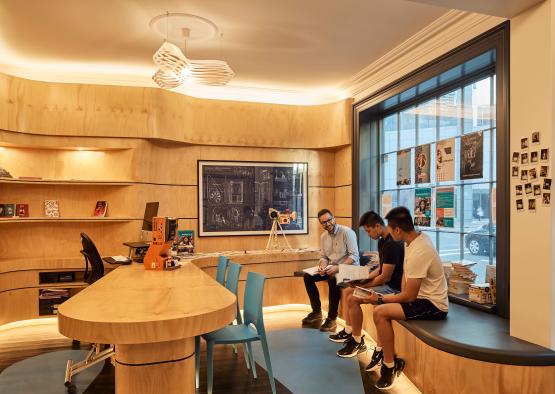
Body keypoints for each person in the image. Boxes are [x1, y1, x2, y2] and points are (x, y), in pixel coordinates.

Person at [360, 207, 448, 389]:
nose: (389, 232)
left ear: (398, 230)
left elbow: (410, 296)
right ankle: (382, 352)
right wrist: (392, 297)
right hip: (421, 298)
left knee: (380, 312)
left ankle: (389, 366)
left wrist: (380, 299)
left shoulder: (420, 250)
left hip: (433, 305)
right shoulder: (412, 241)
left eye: (390, 229)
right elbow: (406, 279)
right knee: (382, 309)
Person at [330, 211, 404, 363]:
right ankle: (350, 331)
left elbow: (385, 277)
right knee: (349, 291)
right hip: (386, 283)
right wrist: (362, 279)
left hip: (394, 289)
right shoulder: (382, 240)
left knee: (353, 297)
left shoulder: (392, 244)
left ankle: (357, 342)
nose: (368, 234)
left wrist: (364, 285)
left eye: (368, 231)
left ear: (377, 226)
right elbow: (379, 269)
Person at [302, 209, 360, 332]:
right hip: (332, 268)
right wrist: (322, 266)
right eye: (324, 222)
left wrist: (338, 267)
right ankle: (317, 311)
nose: (327, 224)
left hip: (351, 269)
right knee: (307, 276)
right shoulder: (323, 237)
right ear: (321, 224)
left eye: (329, 220)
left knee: (333, 279)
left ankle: (332, 318)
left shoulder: (347, 232)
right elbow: (324, 257)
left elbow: (354, 256)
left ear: (334, 218)